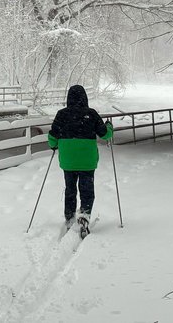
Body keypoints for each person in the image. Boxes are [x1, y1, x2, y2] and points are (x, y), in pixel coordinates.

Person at [47, 84, 113, 234]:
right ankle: (84, 215)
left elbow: (52, 136)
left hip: (68, 161)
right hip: (87, 161)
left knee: (70, 189)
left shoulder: (61, 114)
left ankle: (70, 217)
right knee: (87, 190)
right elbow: (105, 135)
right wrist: (109, 126)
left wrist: (54, 145)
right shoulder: (91, 114)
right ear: (85, 97)